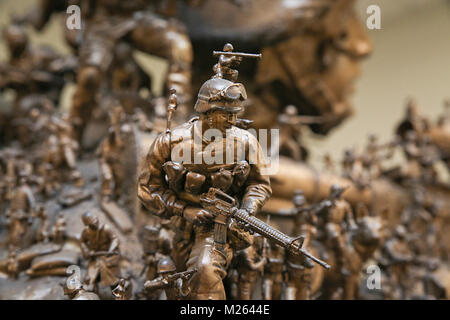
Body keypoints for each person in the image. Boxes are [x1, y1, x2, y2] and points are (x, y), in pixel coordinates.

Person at [138, 66, 272, 299]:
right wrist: (184, 210)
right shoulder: (170, 142)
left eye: (235, 113)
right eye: (225, 113)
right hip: (178, 225)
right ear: (207, 112)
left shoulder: (246, 142)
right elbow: (148, 188)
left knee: (204, 270)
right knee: (178, 284)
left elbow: (259, 184)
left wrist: (248, 209)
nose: (233, 119)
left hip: (220, 226)